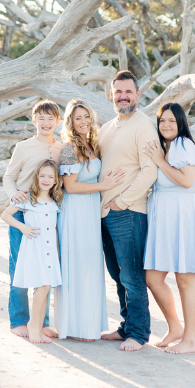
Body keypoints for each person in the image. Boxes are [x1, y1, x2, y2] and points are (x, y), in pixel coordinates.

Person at [143, 102, 195, 355]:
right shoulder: (167, 146)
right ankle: (175, 327)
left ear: (181, 123)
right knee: (152, 277)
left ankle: (190, 340)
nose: (166, 125)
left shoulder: (184, 144)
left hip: (184, 218)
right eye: (162, 120)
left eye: (172, 121)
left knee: (185, 281)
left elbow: (186, 181)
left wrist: (160, 162)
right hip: (164, 219)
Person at [54, 100, 125, 341]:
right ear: (70, 123)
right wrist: (104, 185)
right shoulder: (70, 148)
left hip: (91, 212)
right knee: (77, 265)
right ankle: (75, 327)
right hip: (74, 212)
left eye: (86, 117)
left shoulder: (92, 144)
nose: (83, 122)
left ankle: (89, 324)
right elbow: (70, 187)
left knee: (91, 266)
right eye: (77, 118)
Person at [99, 70, 159, 352]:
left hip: (130, 211)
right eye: (118, 92)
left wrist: (122, 201)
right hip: (104, 213)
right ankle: (125, 326)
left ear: (137, 94)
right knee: (115, 273)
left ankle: (138, 333)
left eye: (128, 92)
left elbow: (150, 171)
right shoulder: (108, 127)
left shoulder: (144, 126)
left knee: (132, 276)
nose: (123, 96)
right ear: (111, 95)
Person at [2, 99, 62, 338]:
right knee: (19, 266)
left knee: (45, 266)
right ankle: (18, 320)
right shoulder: (23, 147)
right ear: (33, 119)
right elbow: (9, 177)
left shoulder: (62, 148)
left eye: (51, 118)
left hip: (48, 212)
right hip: (22, 211)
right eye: (41, 118)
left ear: (57, 121)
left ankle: (42, 322)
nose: (46, 123)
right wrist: (12, 194)